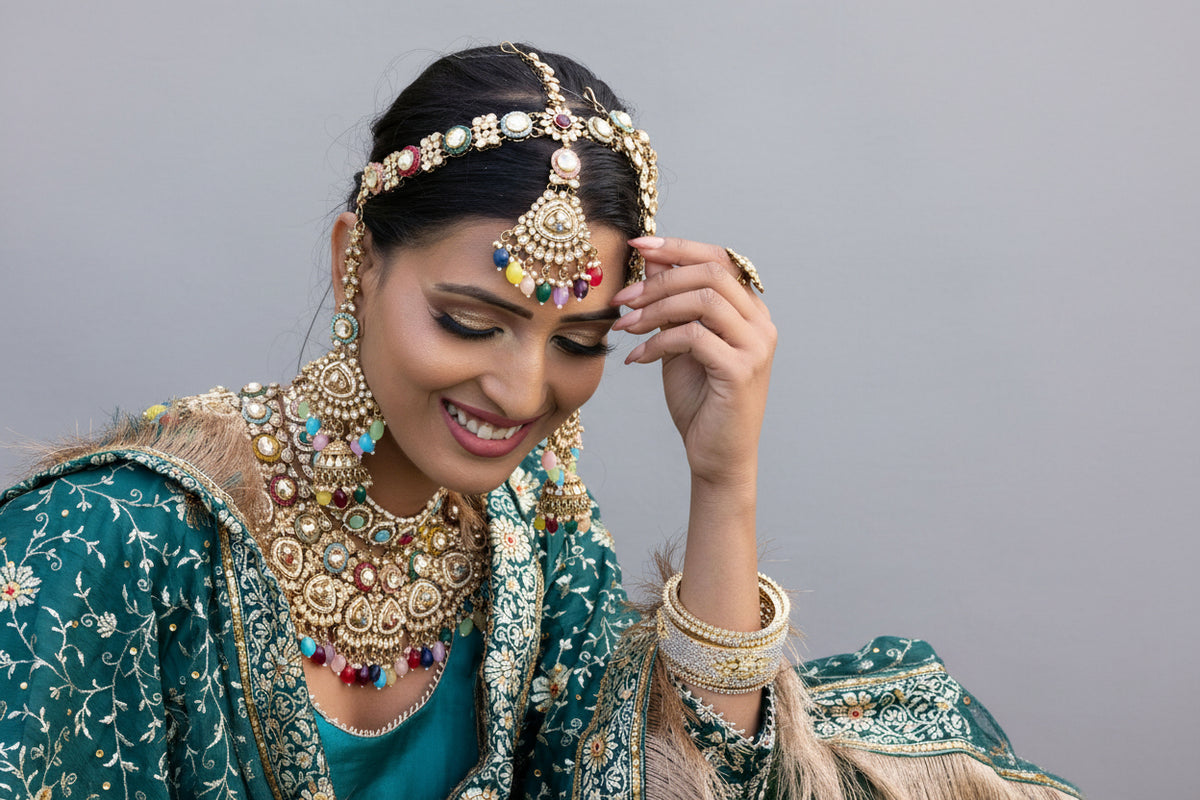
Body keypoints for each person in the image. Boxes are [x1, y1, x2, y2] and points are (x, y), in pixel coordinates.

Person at [0, 43, 1079, 799]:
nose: (521, 392)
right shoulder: (119, 539)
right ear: (354, 264)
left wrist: (723, 478)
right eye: (472, 320)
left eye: (578, 342)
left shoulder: (528, 538)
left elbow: (702, 778)